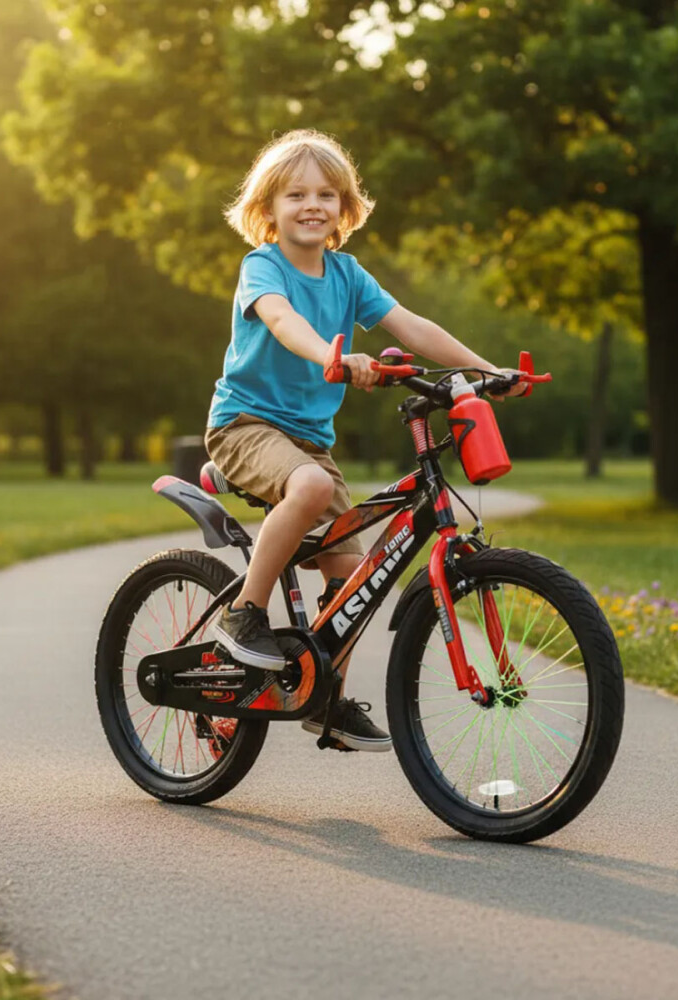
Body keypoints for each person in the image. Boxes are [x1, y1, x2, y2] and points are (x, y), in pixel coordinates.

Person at [205, 128, 525, 752]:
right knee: (314, 485)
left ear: (344, 209)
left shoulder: (347, 274)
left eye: (327, 193)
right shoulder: (262, 267)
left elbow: (413, 326)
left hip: (306, 440)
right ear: (268, 208)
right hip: (244, 425)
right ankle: (244, 614)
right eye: (295, 194)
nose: (312, 204)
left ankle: (325, 702)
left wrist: (487, 372)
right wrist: (336, 355)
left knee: (353, 572)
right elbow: (281, 319)